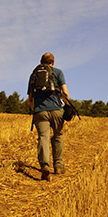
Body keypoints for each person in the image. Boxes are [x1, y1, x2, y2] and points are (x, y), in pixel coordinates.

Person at [27, 52, 70, 181]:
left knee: (43, 138)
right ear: (53, 62)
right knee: (57, 136)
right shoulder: (58, 72)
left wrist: (36, 110)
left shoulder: (33, 75)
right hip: (57, 110)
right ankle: (58, 166)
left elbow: (30, 98)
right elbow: (66, 93)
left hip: (40, 111)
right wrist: (66, 106)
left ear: (41, 62)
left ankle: (45, 165)